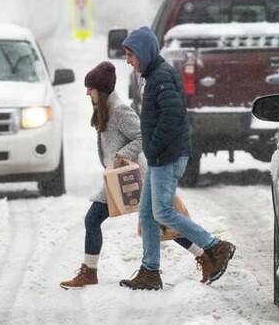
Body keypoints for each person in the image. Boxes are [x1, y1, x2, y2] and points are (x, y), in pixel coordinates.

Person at [60, 61, 214, 289]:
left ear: (100, 90)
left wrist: (121, 155)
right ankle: (203, 256)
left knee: (155, 221)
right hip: (118, 177)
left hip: (133, 176)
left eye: (90, 88)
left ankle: (205, 255)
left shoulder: (120, 110)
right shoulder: (105, 110)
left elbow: (142, 136)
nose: (86, 92)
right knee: (152, 220)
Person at [119, 27, 235, 291]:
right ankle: (150, 271)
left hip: (167, 156)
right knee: (147, 215)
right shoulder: (153, 75)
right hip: (161, 155)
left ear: (144, 53)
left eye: (130, 55)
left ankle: (215, 246)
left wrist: (155, 148)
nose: (128, 60)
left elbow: (172, 117)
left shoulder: (161, 77)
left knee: (162, 212)